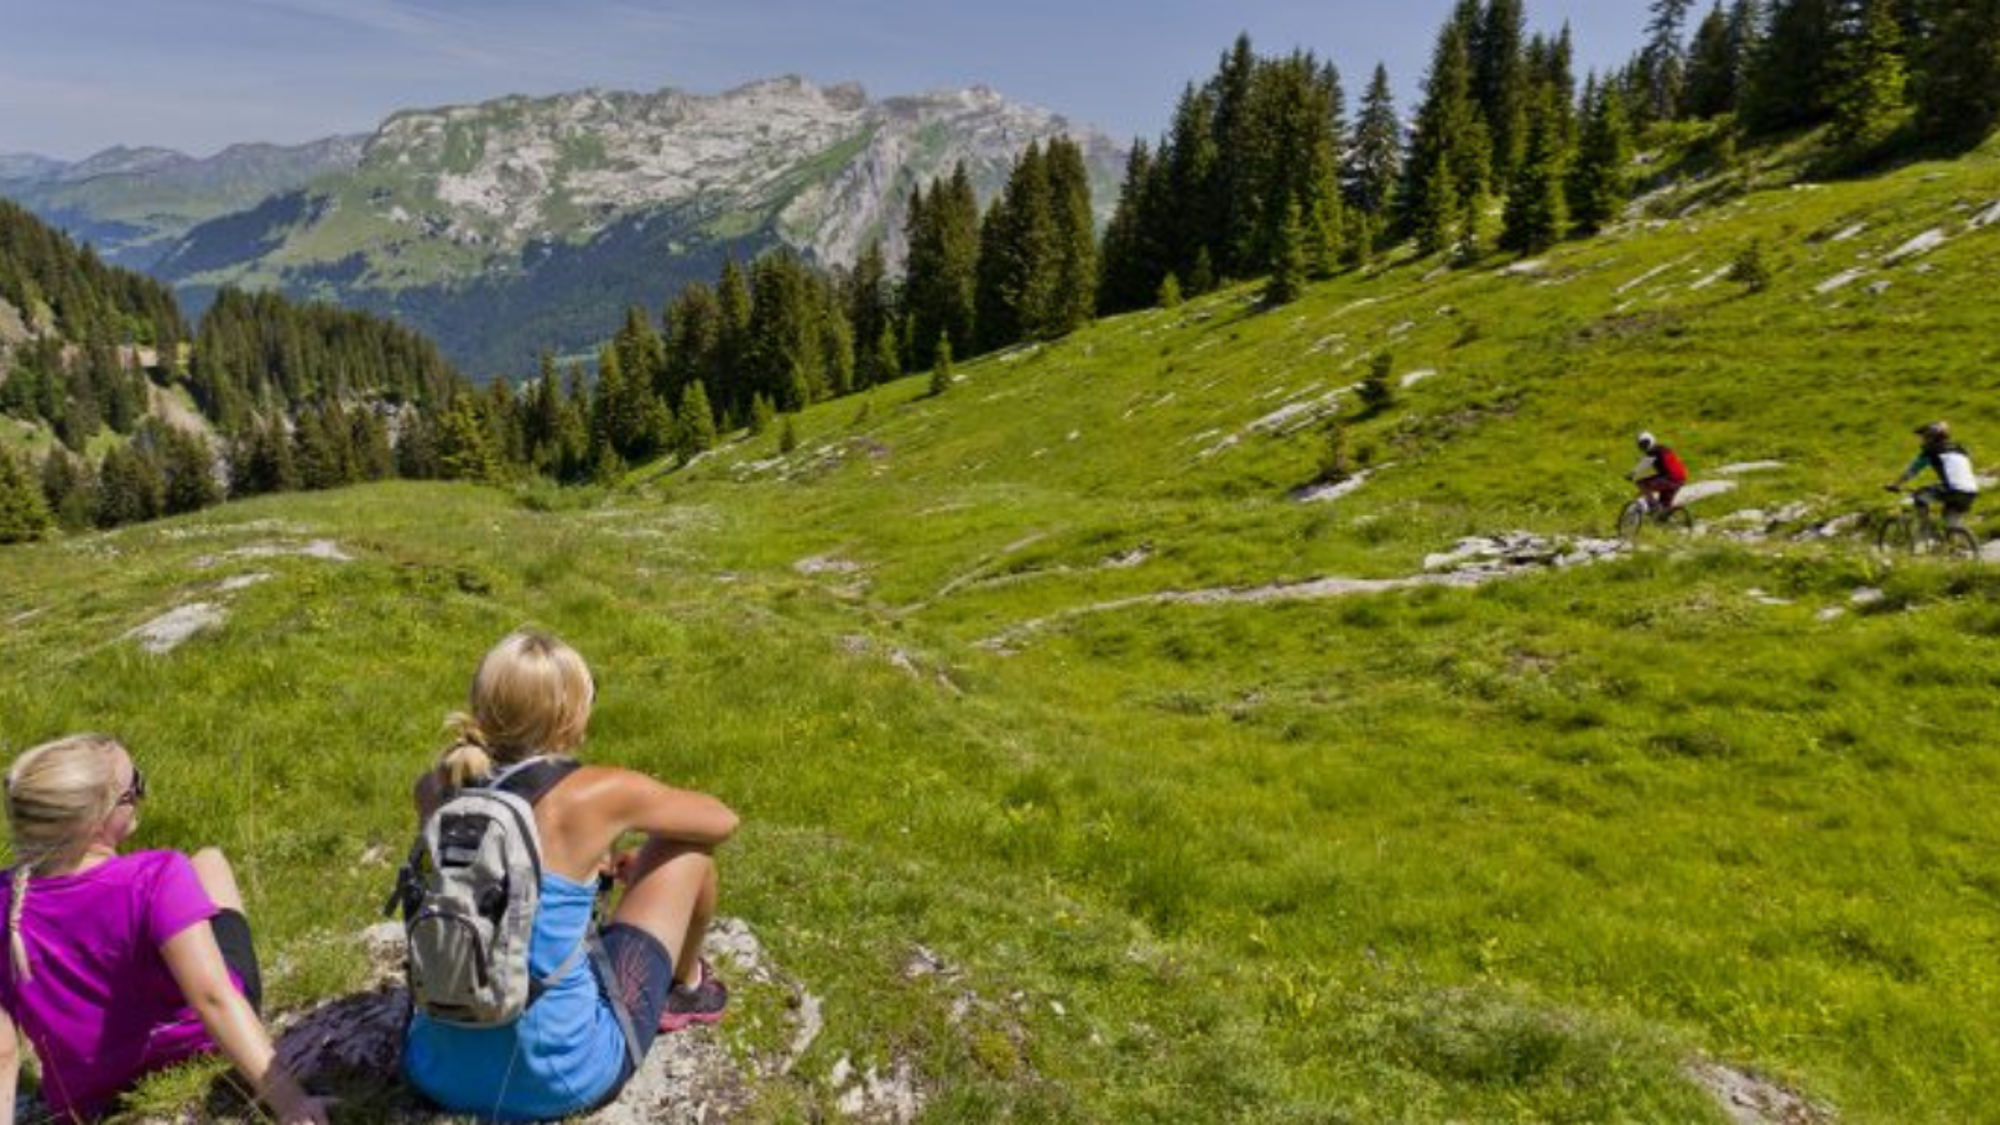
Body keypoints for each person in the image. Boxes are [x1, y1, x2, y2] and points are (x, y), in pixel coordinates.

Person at [401, 630, 738, 1122]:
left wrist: (587, 856)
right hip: (562, 1078)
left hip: (432, 1070)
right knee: (689, 851)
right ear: (571, 713)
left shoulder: (435, 788)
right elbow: (721, 820)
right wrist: (633, 847)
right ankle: (687, 989)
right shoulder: (596, 792)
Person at [0, 734, 330, 1124]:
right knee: (209, 861)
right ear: (98, 818)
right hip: (199, 1046)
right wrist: (290, 1103)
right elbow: (212, 996)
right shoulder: (156, 875)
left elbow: (4, 1050)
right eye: (133, 788)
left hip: (89, 1096)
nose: (141, 795)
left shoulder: (7, 900)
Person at [1886, 421, 1979, 529]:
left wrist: (1895, 485)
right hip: (1971, 490)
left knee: (1919, 496)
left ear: (1931, 438)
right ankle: (1958, 539)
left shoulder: (1931, 451)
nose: (1922, 441)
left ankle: (1925, 530)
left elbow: (1911, 471)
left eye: (1924, 437)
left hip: (1953, 489)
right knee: (1949, 519)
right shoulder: (1960, 450)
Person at [1626, 431, 1688, 512]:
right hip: (1680, 478)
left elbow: (1645, 463)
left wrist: (1632, 473)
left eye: (1645, 443)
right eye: (1642, 445)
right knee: (1664, 506)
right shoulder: (1662, 449)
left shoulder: (1655, 451)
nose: (1644, 446)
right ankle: (1663, 516)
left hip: (1670, 478)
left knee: (1642, 484)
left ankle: (1653, 507)